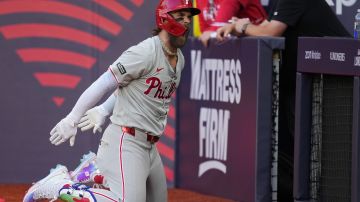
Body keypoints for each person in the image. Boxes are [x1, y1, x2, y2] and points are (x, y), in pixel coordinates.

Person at [23, 0, 200, 201]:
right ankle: (59, 186)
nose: (187, 22)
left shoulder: (180, 60)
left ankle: (96, 171)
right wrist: (72, 118)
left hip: (150, 146)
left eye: (189, 17)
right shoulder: (145, 52)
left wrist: (104, 109)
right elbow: (106, 81)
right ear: (164, 19)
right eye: (180, 17)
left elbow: (135, 89)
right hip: (127, 140)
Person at [216, 0, 350, 201]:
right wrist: (239, 26)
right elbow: (264, 27)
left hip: (333, 84)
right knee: (299, 150)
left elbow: (271, 31)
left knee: (323, 154)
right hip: (301, 83)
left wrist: (241, 26)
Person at [195, 0, 267, 47]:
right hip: (232, 46)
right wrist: (210, 33)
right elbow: (206, 32)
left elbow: (219, 27)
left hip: (259, 42)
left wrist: (211, 32)